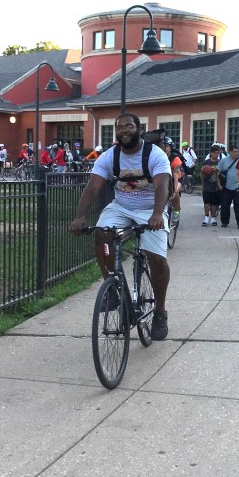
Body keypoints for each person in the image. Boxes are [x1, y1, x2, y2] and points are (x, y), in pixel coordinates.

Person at [69, 113, 172, 341]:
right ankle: (112, 286)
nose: (124, 130)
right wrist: (80, 216)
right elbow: (93, 187)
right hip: (121, 206)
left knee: (156, 259)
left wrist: (157, 214)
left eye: (129, 126)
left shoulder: (154, 155)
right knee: (101, 233)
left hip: (150, 208)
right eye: (120, 127)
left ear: (139, 129)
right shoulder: (109, 156)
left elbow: (162, 185)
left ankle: (160, 312)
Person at [217, 145, 239, 228]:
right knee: (225, 205)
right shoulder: (223, 161)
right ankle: (224, 221)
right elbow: (217, 173)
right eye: (234, 151)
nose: (236, 153)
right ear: (230, 152)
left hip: (237, 186)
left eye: (237, 152)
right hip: (226, 187)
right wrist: (219, 184)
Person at [201, 144, 222, 226]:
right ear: (211, 153)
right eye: (215, 153)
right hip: (207, 185)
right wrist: (208, 172)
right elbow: (202, 174)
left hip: (215, 186)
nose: (217, 155)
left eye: (218, 153)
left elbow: (221, 174)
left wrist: (217, 171)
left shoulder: (220, 162)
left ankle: (213, 218)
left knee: (214, 203)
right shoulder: (206, 162)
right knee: (206, 202)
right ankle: (206, 217)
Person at [162, 137, 183, 219]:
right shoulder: (157, 157)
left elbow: (176, 175)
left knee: (175, 193)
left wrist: (174, 190)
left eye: (167, 146)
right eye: (163, 146)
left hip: (175, 179)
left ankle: (176, 211)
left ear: (170, 148)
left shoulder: (175, 159)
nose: (165, 148)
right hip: (163, 179)